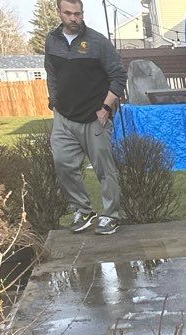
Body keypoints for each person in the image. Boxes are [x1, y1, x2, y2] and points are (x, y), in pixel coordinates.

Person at [43, 0, 127, 234]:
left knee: (104, 169)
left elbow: (119, 76)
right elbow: (51, 73)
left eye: (77, 14)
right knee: (63, 164)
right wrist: (54, 101)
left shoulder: (97, 42)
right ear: (59, 12)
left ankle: (111, 215)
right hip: (64, 116)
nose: (73, 18)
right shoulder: (52, 41)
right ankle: (83, 209)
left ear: (82, 13)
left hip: (95, 116)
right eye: (68, 13)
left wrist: (106, 107)